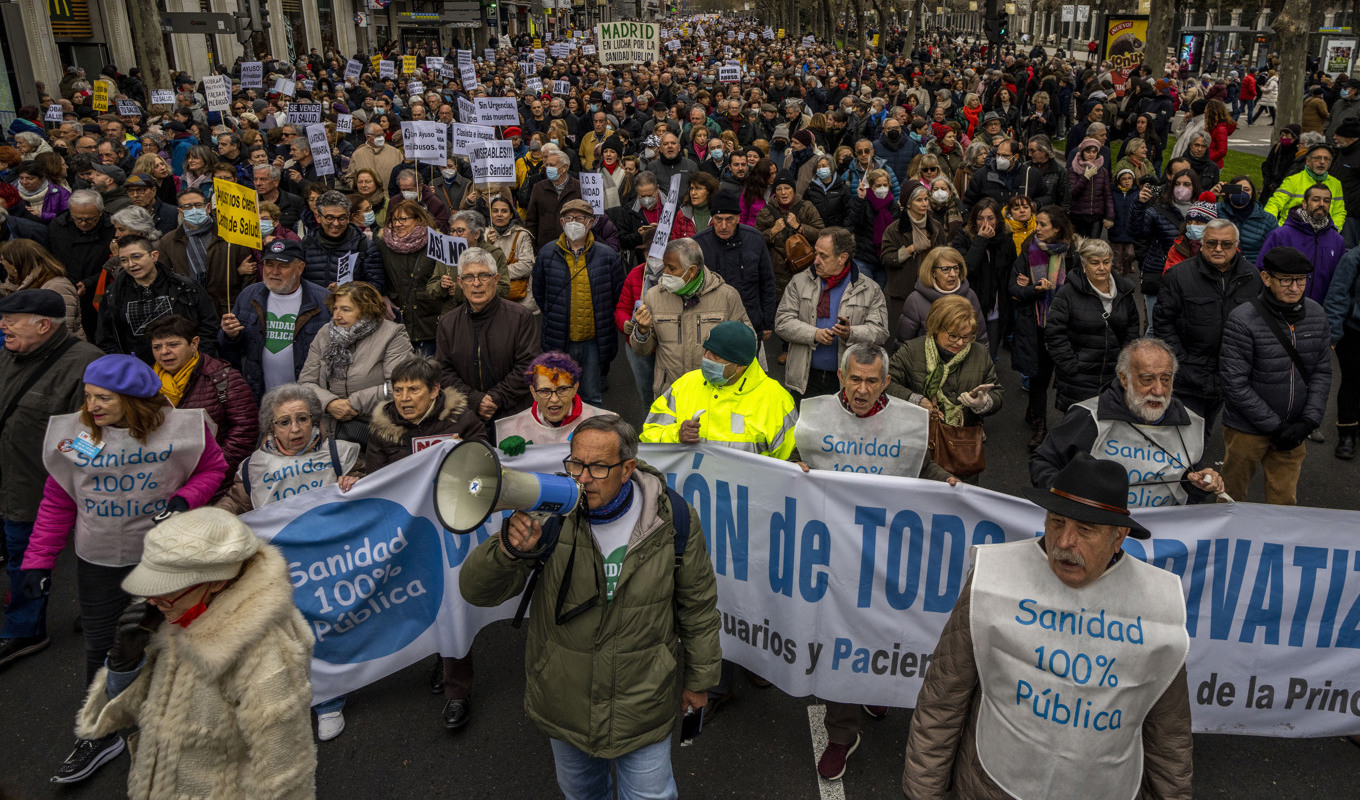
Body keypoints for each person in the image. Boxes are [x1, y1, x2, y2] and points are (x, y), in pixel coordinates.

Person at [902, 452, 1192, 800]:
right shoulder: (995, 577)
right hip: (992, 784)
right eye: (1056, 522)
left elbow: (1169, 732)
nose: (1065, 542)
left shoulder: (1156, 604)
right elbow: (942, 700)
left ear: (1119, 537)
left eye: (1086, 529)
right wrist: (922, 793)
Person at [460, 413, 719, 799]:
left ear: (628, 468)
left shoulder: (674, 520)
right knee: (582, 794)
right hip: (567, 700)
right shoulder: (548, 513)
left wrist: (699, 682)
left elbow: (697, 606)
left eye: (598, 467)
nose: (582, 477)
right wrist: (509, 551)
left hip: (642, 702)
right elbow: (476, 591)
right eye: (576, 463)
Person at [24, 354, 227, 783]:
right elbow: (60, 498)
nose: (91, 406)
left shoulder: (180, 430)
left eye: (103, 398)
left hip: (163, 558)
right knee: (101, 646)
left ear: (134, 400)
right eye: (88, 396)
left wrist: (184, 499)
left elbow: (214, 469)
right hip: (97, 560)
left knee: (176, 639)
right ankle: (103, 730)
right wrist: (38, 561)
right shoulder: (79, 435)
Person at [792, 342, 955, 779]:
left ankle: (876, 684)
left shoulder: (904, 424)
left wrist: (950, 484)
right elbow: (795, 463)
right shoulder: (816, 418)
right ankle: (842, 734)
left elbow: (923, 468)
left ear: (886, 382)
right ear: (842, 378)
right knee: (837, 640)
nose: (862, 390)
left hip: (887, 555)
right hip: (832, 554)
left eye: (871, 381)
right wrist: (796, 472)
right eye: (854, 379)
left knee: (883, 629)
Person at [74, 508, 316, 798]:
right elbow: (133, 714)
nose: (151, 599)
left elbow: (285, 773)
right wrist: (124, 664)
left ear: (216, 581)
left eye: (167, 586)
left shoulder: (265, 652)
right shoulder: (168, 619)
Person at [0, 289, 103, 668]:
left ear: (43, 325)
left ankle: (25, 629)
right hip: (10, 480)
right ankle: (28, 621)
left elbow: (97, 432)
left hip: (44, 489)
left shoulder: (87, 365)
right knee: (19, 556)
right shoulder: (10, 355)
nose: (2, 326)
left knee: (34, 556)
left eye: (12, 319)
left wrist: (67, 474)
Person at [1219, 248, 1333, 505]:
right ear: (1266, 278)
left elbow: (1321, 372)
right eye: (1286, 280)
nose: (1295, 288)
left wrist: (1308, 421)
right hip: (1246, 430)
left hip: (1295, 429)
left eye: (1301, 280)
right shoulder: (1243, 320)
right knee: (1231, 499)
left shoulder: (1316, 314)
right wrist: (1276, 426)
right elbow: (1235, 384)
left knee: (1284, 505)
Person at [1153, 219, 1261, 438]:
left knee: (1206, 431)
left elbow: (1259, 324)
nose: (1218, 249)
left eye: (1226, 244)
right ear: (1201, 244)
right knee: (1183, 435)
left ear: (1237, 245)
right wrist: (1180, 360)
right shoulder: (1178, 276)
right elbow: (1163, 322)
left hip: (1229, 374)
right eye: (1212, 243)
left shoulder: (1252, 277)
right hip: (1189, 375)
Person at [641, 320, 796, 461]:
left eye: (715, 356)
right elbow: (649, 435)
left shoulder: (776, 399)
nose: (706, 359)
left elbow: (790, 461)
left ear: (739, 366)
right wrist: (676, 435)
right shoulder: (685, 384)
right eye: (706, 351)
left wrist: (796, 462)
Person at [887, 295, 1002, 480]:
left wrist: (984, 402)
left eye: (967, 337)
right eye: (953, 336)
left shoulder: (980, 353)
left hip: (963, 449)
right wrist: (915, 400)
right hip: (919, 444)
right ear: (936, 327)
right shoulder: (911, 351)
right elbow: (886, 384)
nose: (960, 343)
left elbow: (997, 392)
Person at [146, 314, 257, 501]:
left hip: (214, 488)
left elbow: (245, 430)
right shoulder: (145, 384)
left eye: (173, 345)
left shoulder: (223, 379)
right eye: (157, 347)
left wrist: (211, 471)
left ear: (194, 343)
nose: (164, 352)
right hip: (162, 488)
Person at [775, 227, 890, 401]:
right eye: (816, 254)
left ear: (842, 258)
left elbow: (880, 332)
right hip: (805, 380)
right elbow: (782, 322)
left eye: (823, 256)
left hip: (847, 384)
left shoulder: (870, 289)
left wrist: (852, 333)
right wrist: (814, 334)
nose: (816, 261)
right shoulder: (799, 282)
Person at [532, 199, 627, 405]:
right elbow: (539, 292)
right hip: (559, 338)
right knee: (559, 396)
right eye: (569, 218)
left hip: (593, 340)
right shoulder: (547, 254)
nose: (574, 222)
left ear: (591, 222)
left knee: (592, 396)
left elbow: (617, 296)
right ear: (561, 221)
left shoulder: (608, 256)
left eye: (580, 218)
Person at [631, 238, 751, 397]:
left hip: (714, 393)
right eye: (664, 266)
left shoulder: (727, 296)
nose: (664, 273)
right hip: (670, 392)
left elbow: (747, 342)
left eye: (671, 268)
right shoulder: (654, 296)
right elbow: (641, 351)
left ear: (692, 270)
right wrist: (642, 331)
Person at [298, 281, 413, 447]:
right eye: (335, 308)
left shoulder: (392, 334)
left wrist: (353, 404)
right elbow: (306, 383)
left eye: (345, 309)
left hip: (375, 430)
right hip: (329, 431)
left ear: (367, 310)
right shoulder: (325, 333)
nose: (336, 316)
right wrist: (330, 403)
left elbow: (399, 386)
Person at [434, 247, 540, 424]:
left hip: (514, 416)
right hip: (466, 418)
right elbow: (443, 371)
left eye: (484, 275)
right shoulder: (448, 323)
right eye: (469, 277)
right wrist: (475, 400)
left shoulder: (521, 317)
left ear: (496, 279)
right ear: (460, 283)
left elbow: (528, 366)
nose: (476, 283)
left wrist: (496, 398)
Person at [219, 239, 330, 400]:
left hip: (307, 398)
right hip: (259, 396)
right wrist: (229, 334)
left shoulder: (323, 301)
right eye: (269, 264)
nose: (274, 271)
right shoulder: (249, 296)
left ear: (300, 268)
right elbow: (231, 351)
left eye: (283, 266)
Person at [1010, 206, 1080, 448]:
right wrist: (1033, 289)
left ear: (1057, 229)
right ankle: (1040, 424)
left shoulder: (1073, 256)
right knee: (1039, 377)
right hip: (1035, 325)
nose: (1036, 228)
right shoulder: (1027, 252)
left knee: (1063, 376)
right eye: (1036, 223)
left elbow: (1080, 290)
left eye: (1042, 225)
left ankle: (1053, 419)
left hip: (1063, 326)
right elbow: (1014, 287)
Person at [1044, 238, 1140, 412]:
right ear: (1083, 264)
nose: (1102, 268)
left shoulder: (1124, 292)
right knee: (1079, 431)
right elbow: (1054, 332)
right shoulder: (1067, 294)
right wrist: (1071, 365)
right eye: (1095, 263)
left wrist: (1125, 361)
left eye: (1106, 262)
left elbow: (1132, 327)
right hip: (1078, 380)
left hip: (1115, 377)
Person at [96, 234, 218, 363]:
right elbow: (105, 339)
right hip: (139, 372)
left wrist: (199, 362)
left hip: (187, 368)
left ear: (154, 256)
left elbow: (208, 327)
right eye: (124, 260)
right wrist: (126, 368)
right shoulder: (113, 294)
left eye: (136, 256)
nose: (131, 264)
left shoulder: (185, 287)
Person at [693, 191, 777, 352]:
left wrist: (767, 323)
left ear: (738, 218)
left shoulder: (755, 240)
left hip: (749, 322)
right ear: (712, 219)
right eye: (718, 220)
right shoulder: (699, 244)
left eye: (729, 220)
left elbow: (767, 283)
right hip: (712, 324)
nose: (724, 226)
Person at [158, 188, 254, 317]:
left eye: (198, 205)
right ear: (180, 212)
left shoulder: (229, 235)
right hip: (188, 309)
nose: (194, 210)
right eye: (187, 207)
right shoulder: (168, 241)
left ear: (208, 207)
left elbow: (249, 274)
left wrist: (243, 307)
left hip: (227, 308)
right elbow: (163, 278)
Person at [495, 351, 611, 450]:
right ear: (533, 392)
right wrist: (506, 456)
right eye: (545, 391)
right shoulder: (513, 428)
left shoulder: (605, 424)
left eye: (562, 389)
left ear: (575, 388)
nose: (554, 399)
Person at [1257, 184, 1346, 305]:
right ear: (1304, 203)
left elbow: (1340, 282)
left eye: (1326, 201)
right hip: (1283, 310)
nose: (1321, 204)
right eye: (1316, 199)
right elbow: (1262, 272)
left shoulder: (1338, 240)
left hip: (1321, 312)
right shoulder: (1280, 235)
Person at [375, 199, 443, 356]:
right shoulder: (383, 244)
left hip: (428, 323)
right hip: (397, 323)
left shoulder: (436, 242)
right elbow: (376, 275)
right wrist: (383, 296)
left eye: (403, 219)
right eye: (394, 220)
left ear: (418, 219)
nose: (397, 224)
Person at [48, 189, 116, 339]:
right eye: (78, 219)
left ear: (101, 212)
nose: (83, 223)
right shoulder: (58, 227)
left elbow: (115, 263)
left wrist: (90, 282)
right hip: (68, 288)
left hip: (99, 290)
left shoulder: (113, 228)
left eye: (90, 219)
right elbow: (53, 259)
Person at [881, 184, 949, 328]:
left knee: (930, 331)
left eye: (926, 199)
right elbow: (886, 258)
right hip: (902, 292)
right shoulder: (894, 230)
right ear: (908, 204)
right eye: (919, 200)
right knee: (905, 333)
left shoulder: (935, 227)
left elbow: (944, 255)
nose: (924, 203)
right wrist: (910, 249)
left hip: (931, 289)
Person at [896, 246, 989, 347]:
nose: (953, 274)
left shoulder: (970, 296)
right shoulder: (915, 300)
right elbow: (903, 344)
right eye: (946, 269)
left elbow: (981, 338)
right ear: (932, 272)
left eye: (956, 268)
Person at [755, 171, 825, 299]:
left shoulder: (807, 207)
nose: (783, 192)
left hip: (805, 269)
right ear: (775, 192)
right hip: (777, 275)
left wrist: (800, 227)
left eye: (787, 188)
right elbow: (755, 240)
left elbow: (821, 234)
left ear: (793, 190)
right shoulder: (766, 212)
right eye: (779, 189)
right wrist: (772, 232)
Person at [0, 238, 84, 338]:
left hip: (56, 350)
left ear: (16, 264)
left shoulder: (57, 287)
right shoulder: (17, 283)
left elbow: (60, 330)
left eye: (3, 259)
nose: (1, 263)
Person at [300, 191, 385, 289]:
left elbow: (377, 286)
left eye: (341, 218)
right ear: (318, 217)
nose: (336, 223)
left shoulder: (364, 246)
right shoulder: (307, 244)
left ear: (348, 217)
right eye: (329, 218)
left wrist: (347, 292)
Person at [1265, 144, 1346, 230]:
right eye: (1317, 158)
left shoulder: (1336, 184)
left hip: (1322, 235)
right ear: (1307, 161)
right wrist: (1274, 227)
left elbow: (1339, 212)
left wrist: (1333, 230)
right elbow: (1274, 204)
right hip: (1291, 232)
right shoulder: (1292, 181)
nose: (1322, 162)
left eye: (1326, 159)